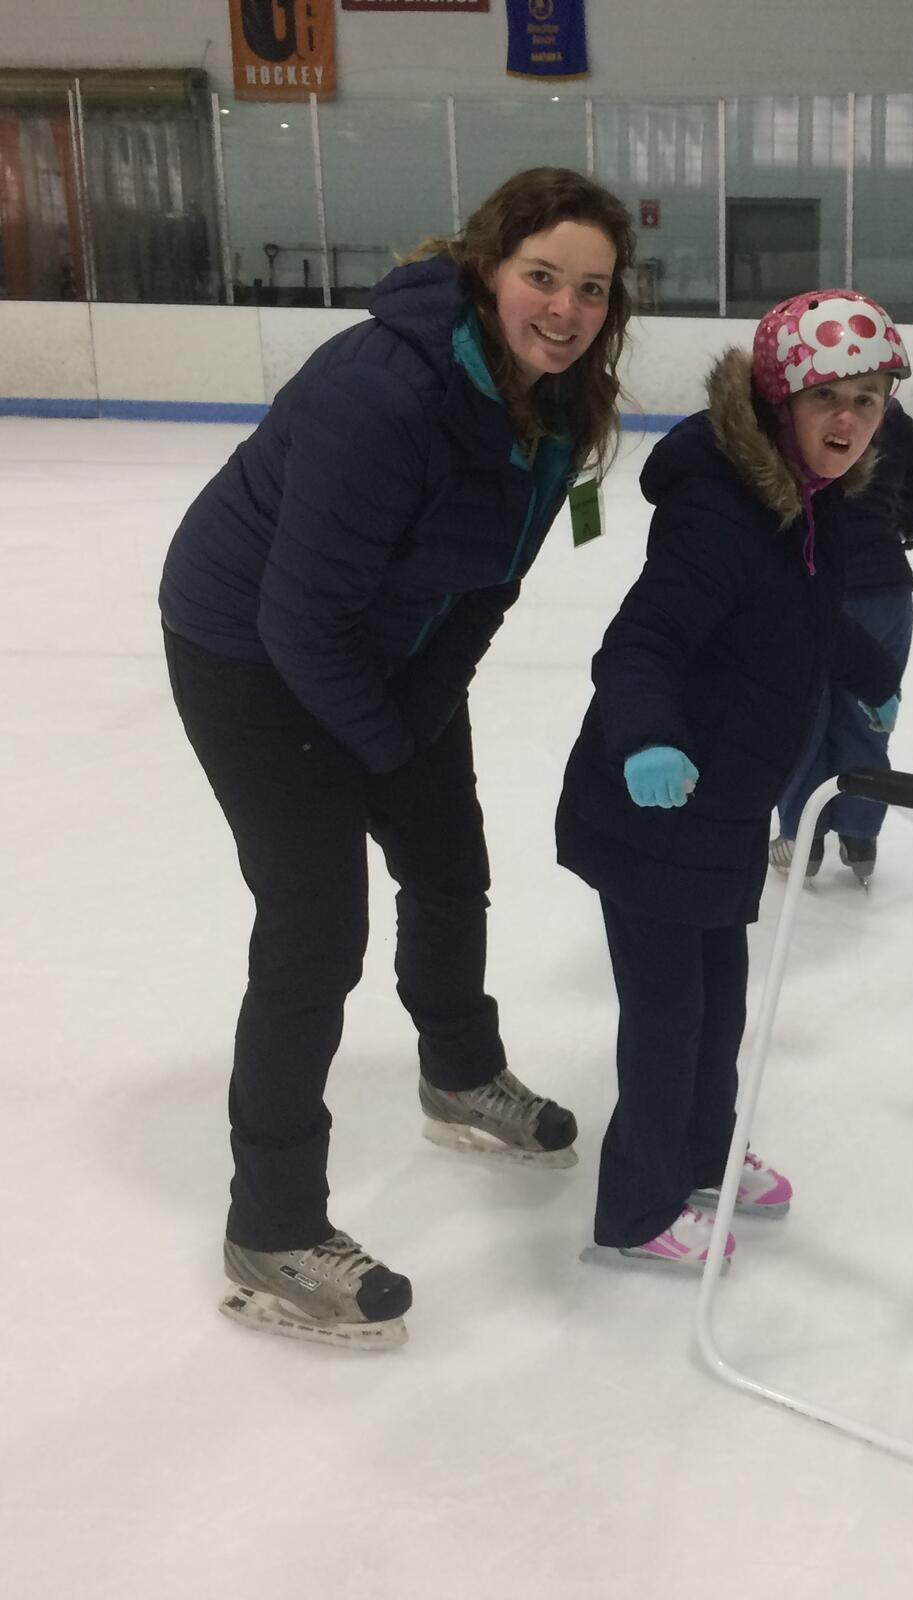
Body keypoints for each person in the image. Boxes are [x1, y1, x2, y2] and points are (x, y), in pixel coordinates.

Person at [160, 167, 635, 1347]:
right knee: (315, 930)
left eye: (590, 288)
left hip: (383, 643)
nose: (565, 309)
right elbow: (296, 621)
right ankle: (270, 1227)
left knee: (446, 859)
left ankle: (459, 1073)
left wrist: (419, 718)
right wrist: (380, 740)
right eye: (541, 277)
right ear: (486, 267)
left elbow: (488, 586)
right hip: (245, 652)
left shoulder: (560, 403)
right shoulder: (380, 391)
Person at [554, 289, 908, 1270]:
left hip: (722, 807)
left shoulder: (807, 502)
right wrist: (646, 741)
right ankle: (633, 1213)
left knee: (718, 1000)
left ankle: (701, 1154)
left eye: (868, 399)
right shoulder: (719, 512)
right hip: (651, 808)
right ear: (775, 400)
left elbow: (809, 613)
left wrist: (868, 681)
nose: (847, 420)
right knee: (667, 1019)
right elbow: (642, 639)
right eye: (827, 396)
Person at [769, 397, 913, 887]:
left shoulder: (796, 410)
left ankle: (801, 838)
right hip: (885, 590)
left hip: (811, 587)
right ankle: (860, 834)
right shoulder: (885, 414)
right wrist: (905, 519)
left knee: (805, 715)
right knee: (868, 715)